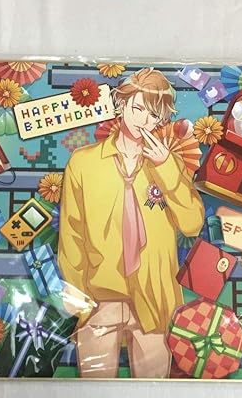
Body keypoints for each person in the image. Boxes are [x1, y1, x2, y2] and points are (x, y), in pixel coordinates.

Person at [58, 68, 205, 378]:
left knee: (153, 391)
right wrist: (79, 295)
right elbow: (71, 234)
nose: (143, 120)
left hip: (154, 299)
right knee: (93, 391)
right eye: (137, 108)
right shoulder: (84, 163)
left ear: (161, 119)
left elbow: (192, 224)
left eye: (153, 115)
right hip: (99, 299)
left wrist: (165, 168)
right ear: (121, 104)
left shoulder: (169, 163)